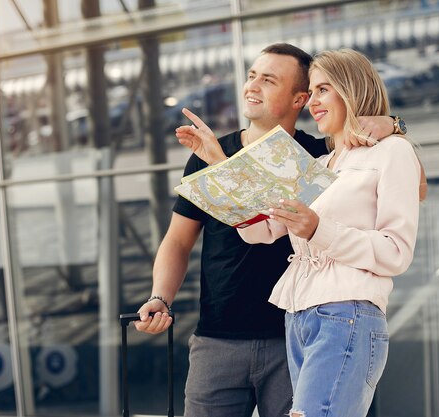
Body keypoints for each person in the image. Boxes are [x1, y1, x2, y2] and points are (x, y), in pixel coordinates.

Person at [134, 43, 398, 417]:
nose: (252, 86)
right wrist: (160, 297)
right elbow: (177, 241)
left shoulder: (320, 157)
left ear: (299, 99)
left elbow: (391, 156)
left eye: (268, 80)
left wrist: (394, 123)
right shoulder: (209, 153)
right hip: (217, 339)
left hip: (295, 334)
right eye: (252, 76)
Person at [227, 49, 422, 417]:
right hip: (298, 317)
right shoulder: (318, 164)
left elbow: (397, 251)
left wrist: (319, 229)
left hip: (346, 314)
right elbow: (265, 231)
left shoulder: (392, 152)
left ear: (351, 90)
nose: (312, 102)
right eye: (311, 92)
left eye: (323, 90)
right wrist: (220, 175)